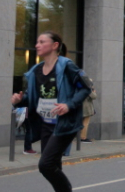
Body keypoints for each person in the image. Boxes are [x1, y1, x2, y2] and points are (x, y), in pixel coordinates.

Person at [10, 31, 91, 192]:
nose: (37, 45)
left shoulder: (67, 66)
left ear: (54, 45)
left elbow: (85, 88)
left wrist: (68, 105)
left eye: (42, 42)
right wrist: (20, 100)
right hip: (45, 124)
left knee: (45, 165)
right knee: (53, 164)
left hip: (64, 123)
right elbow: (32, 98)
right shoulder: (36, 70)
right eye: (37, 42)